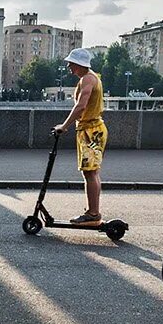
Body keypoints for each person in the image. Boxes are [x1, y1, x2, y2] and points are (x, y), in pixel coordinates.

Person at [52, 47, 109, 225]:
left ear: (79, 64)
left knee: (90, 173)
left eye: (71, 63)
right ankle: (93, 212)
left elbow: (81, 106)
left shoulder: (87, 79)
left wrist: (64, 126)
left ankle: (93, 215)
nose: (69, 66)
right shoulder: (91, 77)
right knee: (92, 173)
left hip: (91, 131)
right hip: (92, 129)